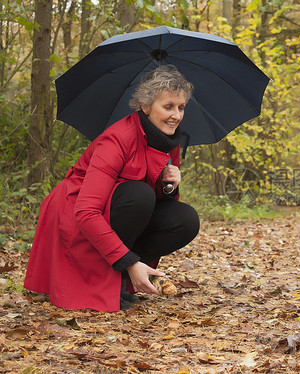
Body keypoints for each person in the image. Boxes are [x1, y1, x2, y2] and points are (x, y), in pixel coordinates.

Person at [24, 65, 200, 312]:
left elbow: (159, 199)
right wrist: (129, 261)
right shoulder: (117, 138)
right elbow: (86, 212)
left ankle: (122, 280)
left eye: (181, 107)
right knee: (140, 195)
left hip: (123, 207)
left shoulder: (169, 140)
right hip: (75, 210)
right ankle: (117, 273)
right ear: (146, 106)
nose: (177, 115)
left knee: (185, 219)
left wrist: (169, 186)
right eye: (168, 107)